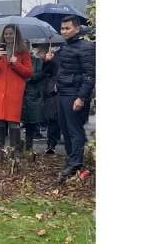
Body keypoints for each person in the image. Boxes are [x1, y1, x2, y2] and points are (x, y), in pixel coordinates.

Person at [55, 15, 96, 177]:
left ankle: (75, 164)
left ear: (77, 29)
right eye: (62, 28)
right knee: (65, 128)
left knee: (75, 130)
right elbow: (64, 69)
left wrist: (81, 97)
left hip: (75, 94)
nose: (64, 31)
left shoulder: (86, 47)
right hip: (63, 92)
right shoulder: (66, 46)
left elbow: (89, 75)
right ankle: (71, 159)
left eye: (67, 28)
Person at [0, 24, 32, 163]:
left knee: (14, 123)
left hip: (14, 92)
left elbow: (29, 72)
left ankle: (14, 153)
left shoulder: (23, 52)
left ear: (15, 35)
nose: (8, 36)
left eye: (11, 33)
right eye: (6, 34)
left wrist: (17, 63)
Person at [20, 40, 45, 152]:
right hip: (19, 92)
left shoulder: (36, 60)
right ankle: (17, 144)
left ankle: (29, 145)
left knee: (31, 121)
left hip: (32, 94)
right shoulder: (16, 60)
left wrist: (29, 77)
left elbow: (40, 74)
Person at [38, 44, 61, 154]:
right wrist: (47, 61)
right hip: (52, 89)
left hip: (68, 87)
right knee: (52, 118)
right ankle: (51, 144)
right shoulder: (53, 55)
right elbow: (44, 72)